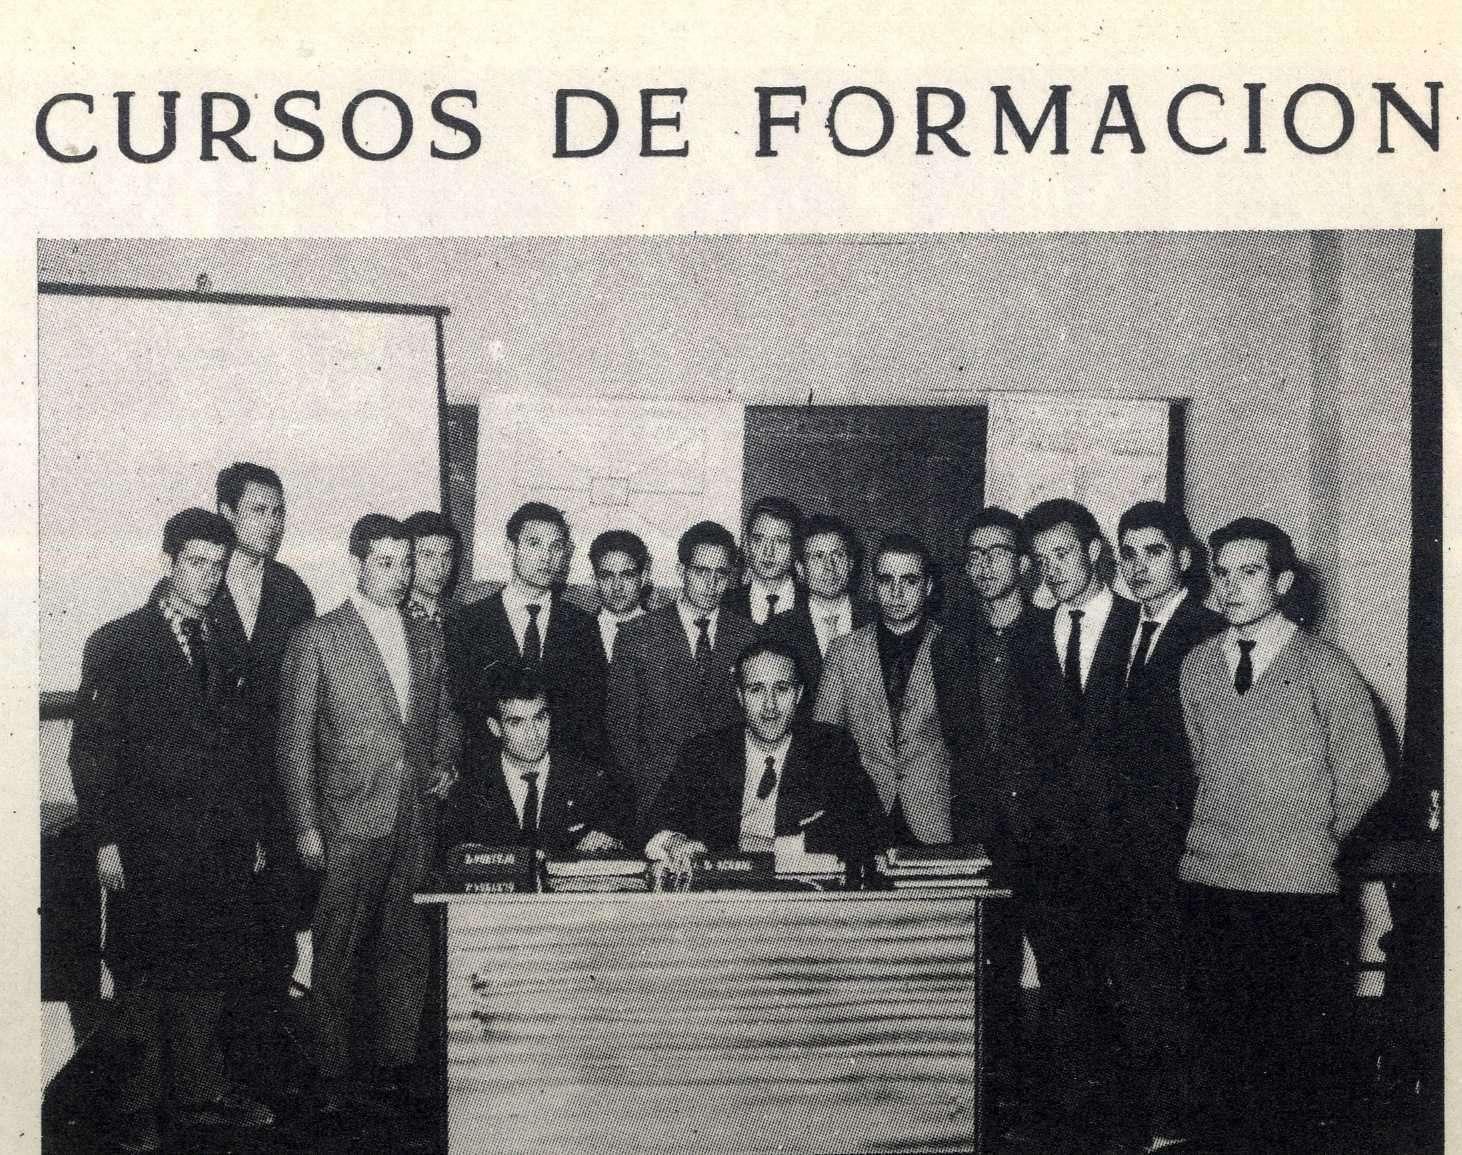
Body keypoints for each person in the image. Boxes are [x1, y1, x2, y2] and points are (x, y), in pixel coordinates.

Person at [1179, 517, 1388, 1152]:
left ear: (1283, 582)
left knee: (1291, 1064)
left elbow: (1368, 775)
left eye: (1249, 572)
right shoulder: (1196, 665)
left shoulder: (1325, 665)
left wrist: (1310, 841)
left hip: (1298, 891)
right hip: (1209, 880)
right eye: (1221, 572)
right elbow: (1203, 763)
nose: (1231, 586)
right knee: (1220, 1053)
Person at [69, 508, 274, 1151]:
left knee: (207, 966)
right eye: (197, 563)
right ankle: (137, 1106)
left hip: (217, 842)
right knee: (141, 970)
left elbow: (240, 747)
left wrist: (251, 831)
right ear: (168, 562)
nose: (209, 576)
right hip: (145, 843)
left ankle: (200, 1092)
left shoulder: (225, 641)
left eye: (219, 565)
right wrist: (105, 839)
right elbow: (91, 751)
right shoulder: (117, 643)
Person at [276, 514, 462, 1115]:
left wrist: (446, 761)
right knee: (338, 947)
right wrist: (305, 825)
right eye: (386, 563)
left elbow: (445, 715)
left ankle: (395, 1067)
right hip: (347, 820)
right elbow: (294, 742)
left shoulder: (426, 634)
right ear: (357, 565)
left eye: (406, 562)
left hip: (414, 815)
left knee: (407, 943)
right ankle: (332, 1074)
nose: (400, 574)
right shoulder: (317, 638)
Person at [1005, 497, 1140, 1142]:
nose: (1051, 569)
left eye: (1063, 554)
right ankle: (1075, 1121)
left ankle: (1128, 1119)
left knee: (1129, 984)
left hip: (1123, 848)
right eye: (1040, 559)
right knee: (1064, 984)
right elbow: (1018, 742)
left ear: (1094, 552)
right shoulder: (1029, 634)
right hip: (1049, 850)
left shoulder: (1139, 624)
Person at [1105, 500, 1228, 1150]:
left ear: (1183, 557)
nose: (1138, 566)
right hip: (1125, 850)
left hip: (1184, 848)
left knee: (1182, 993)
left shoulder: (1209, 631)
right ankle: (1157, 1122)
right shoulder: (1123, 627)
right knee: (1139, 990)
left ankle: (1181, 1128)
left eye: (1153, 551)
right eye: (1128, 553)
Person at [211, 462, 317, 1003]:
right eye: (259, 511)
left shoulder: (291, 589)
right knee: (219, 932)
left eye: (279, 512)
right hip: (213, 787)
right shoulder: (195, 583)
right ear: (226, 513)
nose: (272, 524)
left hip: (275, 785)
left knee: (276, 924)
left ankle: (269, 1039)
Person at [645, 638, 883, 864]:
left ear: (798, 694)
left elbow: (870, 827)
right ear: (740, 696)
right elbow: (655, 821)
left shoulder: (830, 748)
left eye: (782, 689)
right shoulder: (704, 752)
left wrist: (773, 848)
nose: (770, 706)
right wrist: (673, 841)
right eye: (756, 690)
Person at [814, 532, 972, 847]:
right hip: (862, 813)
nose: (897, 592)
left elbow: (967, 745)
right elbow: (823, 739)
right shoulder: (843, 651)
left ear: (928, 586)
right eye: (886, 580)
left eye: (909, 581)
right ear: (873, 586)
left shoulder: (954, 649)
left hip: (934, 816)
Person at [606, 520, 756, 839]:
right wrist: (648, 786)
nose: (711, 583)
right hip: (657, 799)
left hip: (726, 801)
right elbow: (622, 731)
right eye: (701, 571)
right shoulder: (636, 635)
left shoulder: (747, 635)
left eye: (721, 573)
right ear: (681, 571)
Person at [461, 501, 606, 763]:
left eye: (556, 546)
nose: (546, 556)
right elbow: (466, 711)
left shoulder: (582, 625)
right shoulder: (469, 622)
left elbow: (590, 713)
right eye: (534, 543)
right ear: (511, 548)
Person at [454, 661, 625, 854]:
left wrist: (606, 844)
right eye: (517, 723)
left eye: (539, 718)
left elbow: (617, 843)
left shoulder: (590, 782)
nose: (533, 734)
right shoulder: (470, 790)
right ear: (495, 727)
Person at [765, 513, 874, 707]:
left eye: (837, 555)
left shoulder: (877, 619)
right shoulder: (778, 629)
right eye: (818, 556)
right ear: (801, 569)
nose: (829, 567)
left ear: (850, 563)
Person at [402, 510, 469, 702]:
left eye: (446, 556)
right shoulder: (391, 616)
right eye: (427, 555)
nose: (439, 568)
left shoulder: (464, 617)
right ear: (406, 558)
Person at [721, 496, 807, 627]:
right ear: (746, 543)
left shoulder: (812, 603)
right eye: (758, 540)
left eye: (780, 541)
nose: (768, 552)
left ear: (796, 547)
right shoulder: (724, 604)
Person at [588, 528, 652, 664]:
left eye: (627, 575)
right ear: (594, 580)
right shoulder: (576, 632)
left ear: (644, 577)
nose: (617, 586)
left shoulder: (664, 632)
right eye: (606, 576)